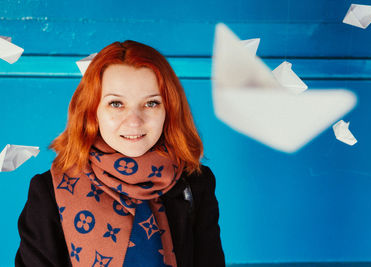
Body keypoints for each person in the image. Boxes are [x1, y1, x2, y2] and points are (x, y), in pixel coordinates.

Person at [15, 40, 225, 267]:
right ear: (92, 111)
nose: (134, 122)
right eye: (116, 104)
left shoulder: (196, 184)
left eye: (151, 104)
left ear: (169, 110)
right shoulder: (48, 192)